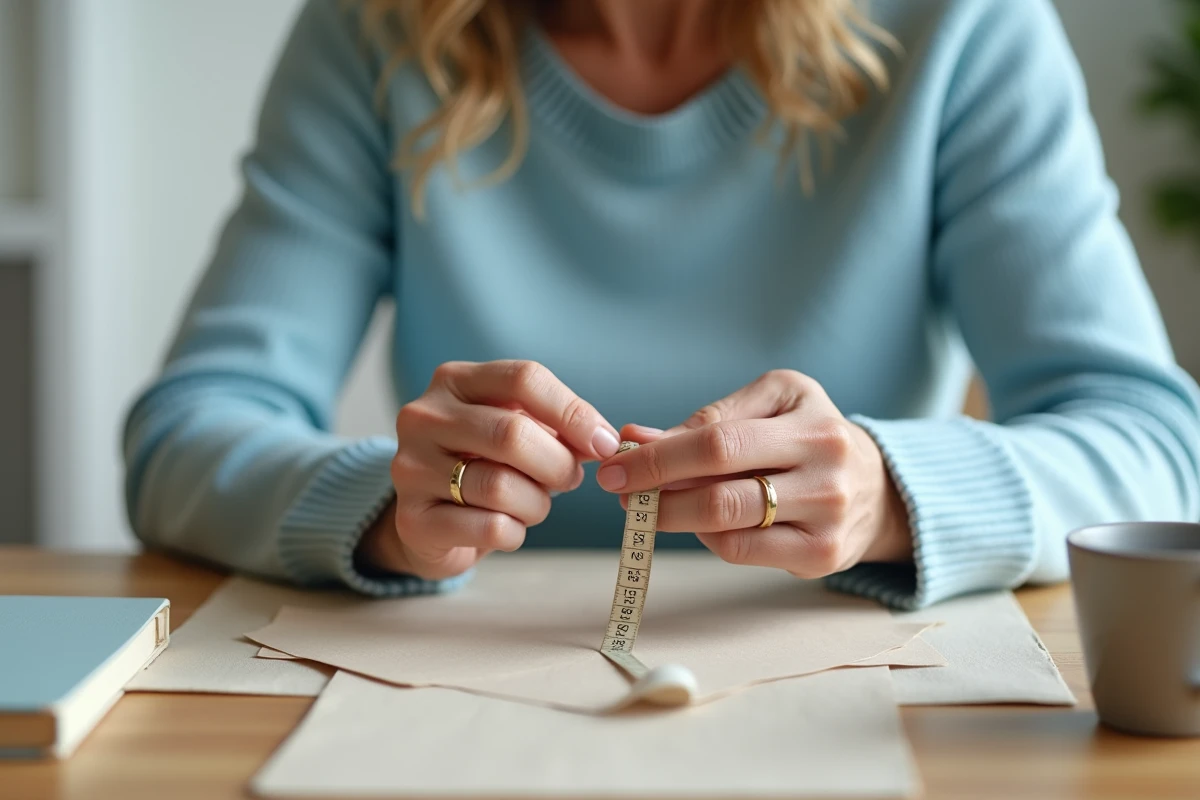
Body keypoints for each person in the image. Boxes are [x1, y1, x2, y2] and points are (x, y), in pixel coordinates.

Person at [122, 0, 1200, 610]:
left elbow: (1158, 448)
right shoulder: (376, 32)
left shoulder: (966, 27)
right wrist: (381, 510)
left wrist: (889, 495)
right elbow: (184, 434)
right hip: (463, 702)